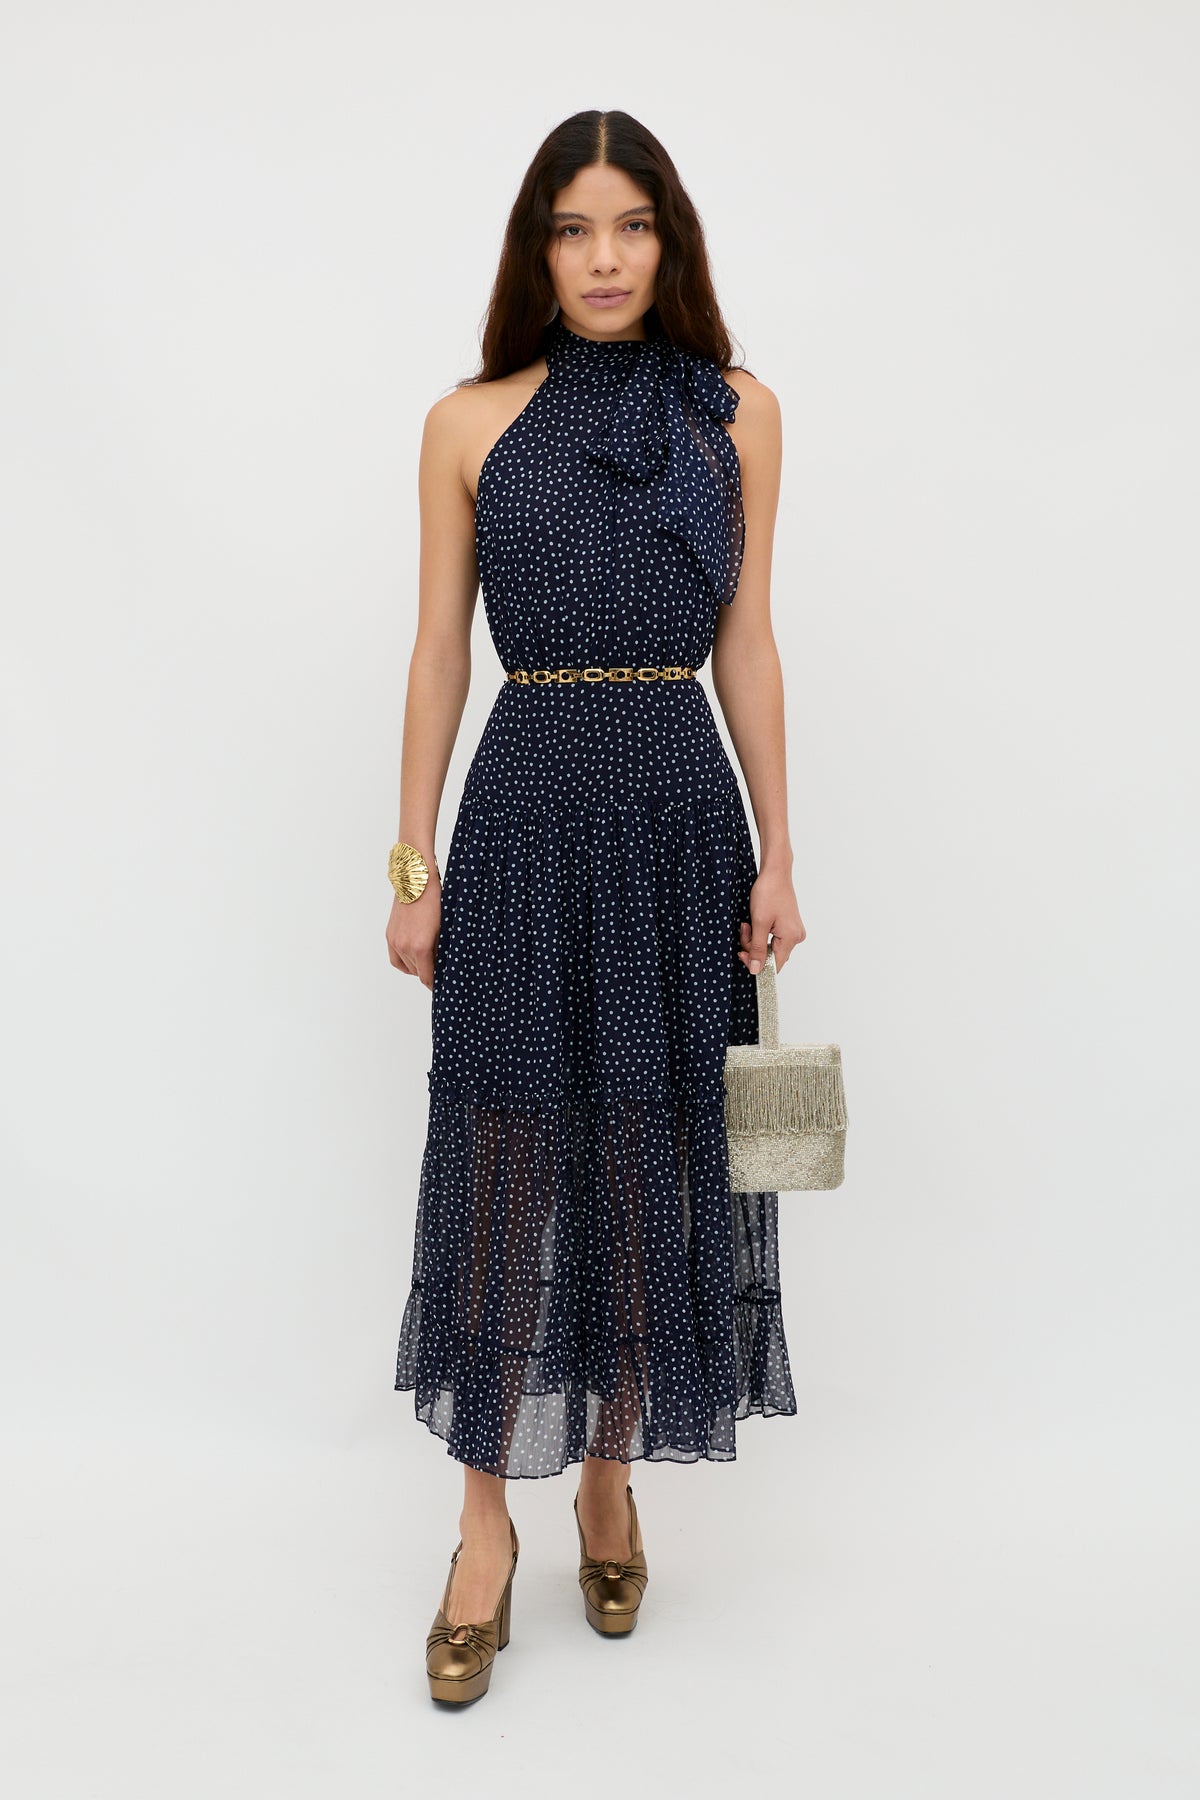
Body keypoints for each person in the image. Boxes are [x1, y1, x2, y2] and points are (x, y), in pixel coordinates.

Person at [386, 108, 806, 1705]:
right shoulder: (468, 422)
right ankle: (483, 1525)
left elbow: (747, 638)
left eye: (632, 225)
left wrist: (780, 849)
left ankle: (610, 1481)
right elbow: (439, 649)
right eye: (574, 228)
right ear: (538, 250)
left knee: (645, 1147)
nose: (606, 257)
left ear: (669, 241)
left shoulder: (736, 414)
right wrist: (412, 861)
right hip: (523, 810)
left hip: (680, 816)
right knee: (502, 1153)